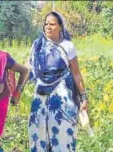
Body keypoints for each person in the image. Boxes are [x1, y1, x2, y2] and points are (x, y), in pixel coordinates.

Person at [27, 12, 88, 152]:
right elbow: (28, 68)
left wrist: (83, 98)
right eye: (46, 24)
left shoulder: (68, 46)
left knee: (62, 132)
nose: (48, 27)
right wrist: (18, 89)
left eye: (52, 24)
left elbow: (76, 74)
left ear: (60, 26)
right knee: (38, 132)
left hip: (62, 95)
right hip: (40, 95)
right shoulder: (37, 45)